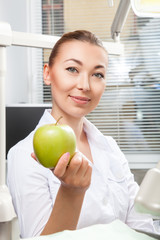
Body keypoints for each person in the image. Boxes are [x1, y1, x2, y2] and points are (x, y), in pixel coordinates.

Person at [7, 30, 159, 238]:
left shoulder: (110, 147)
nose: (85, 86)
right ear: (47, 73)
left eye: (97, 74)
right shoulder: (24, 155)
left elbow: (141, 226)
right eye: (72, 69)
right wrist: (71, 192)